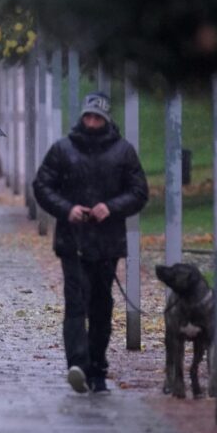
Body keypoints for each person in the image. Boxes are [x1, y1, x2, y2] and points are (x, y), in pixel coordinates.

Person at [32, 92, 149, 393]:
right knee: (76, 304)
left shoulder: (123, 152)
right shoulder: (63, 150)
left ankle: (97, 367)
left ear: (107, 120)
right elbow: (42, 185)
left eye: (98, 117)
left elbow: (139, 191)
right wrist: (67, 209)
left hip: (107, 244)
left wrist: (110, 207)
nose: (92, 122)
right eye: (88, 116)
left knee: (101, 306)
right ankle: (77, 364)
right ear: (82, 118)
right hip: (73, 243)